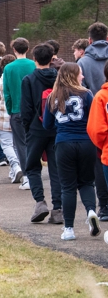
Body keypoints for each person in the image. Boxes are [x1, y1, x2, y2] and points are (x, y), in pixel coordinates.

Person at [43, 63, 100, 240]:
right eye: (80, 74)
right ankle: (91, 211)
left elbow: (47, 124)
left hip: (64, 143)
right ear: (73, 75)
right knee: (87, 182)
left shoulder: (53, 96)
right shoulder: (87, 94)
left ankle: (69, 228)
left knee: (67, 187)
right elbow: (94, 118)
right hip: (85, 142)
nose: (82, 77)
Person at [21, 43, 62, 224]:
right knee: (56, 169)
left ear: (34, 59)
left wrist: (27, 129)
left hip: (36, 129)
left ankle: (40, 202)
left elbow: (26, 109)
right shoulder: (59, 79)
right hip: (56, 128)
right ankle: (58, 208)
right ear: (52, 57)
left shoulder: (29, 80)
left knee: (32, 167)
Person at [78, 22, 108, 222]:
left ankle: (104, 206)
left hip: (95, 111)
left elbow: (81, 91)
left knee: (99, 163)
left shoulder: (83, 62)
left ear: (89, 40)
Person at [3, 38, 36, 190]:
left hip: (17, 110)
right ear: (27, 49)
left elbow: (7, 93)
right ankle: (35, 174)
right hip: (34, 111)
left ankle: (28, 177)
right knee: (34, 143)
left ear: (14, 50)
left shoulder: (8, 68)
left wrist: (10, 111)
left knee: (21, 145)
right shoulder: (33, 65)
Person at [0, 54, 23, 184]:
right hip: (18, 116)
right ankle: (14, 170)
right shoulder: (20, 81)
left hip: (3, 118)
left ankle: (15, 166)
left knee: (7, 145)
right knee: (17, 145)